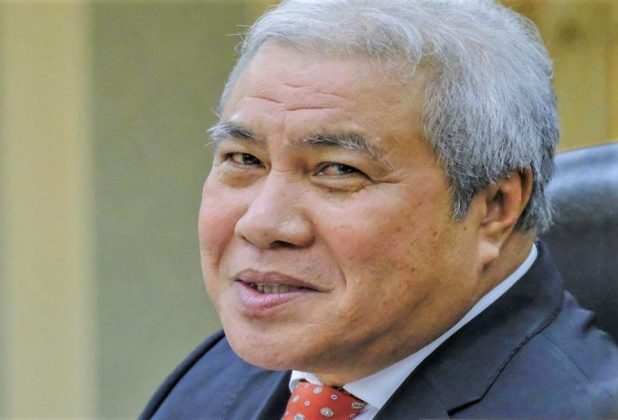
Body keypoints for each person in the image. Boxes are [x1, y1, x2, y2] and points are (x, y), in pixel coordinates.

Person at [141, 0, 618, 418]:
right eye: (244, 159)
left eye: (337, 170)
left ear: (495, 206)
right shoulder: (215, 378)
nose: (261, 223)